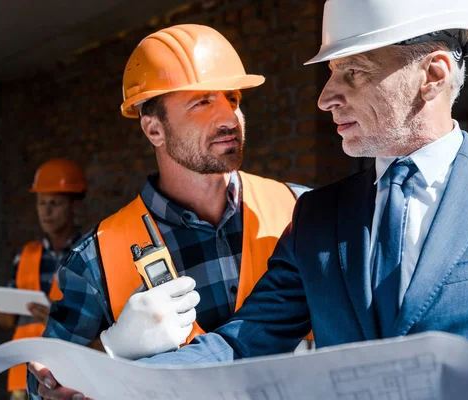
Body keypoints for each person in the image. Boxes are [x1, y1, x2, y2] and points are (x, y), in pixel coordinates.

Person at [135, 0, 468, 366]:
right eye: (331, 72)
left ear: (433, 75)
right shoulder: (318, 216)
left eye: (354, 72)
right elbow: (242, 343)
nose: (325, 98)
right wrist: (119, 382)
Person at [27, 24, 311, 399]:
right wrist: (112, 349)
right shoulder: (96, 257)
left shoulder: (303, 211)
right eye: (203, 102)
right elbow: (42, 389)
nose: (229, 118)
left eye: (233, 98)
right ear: (153, 130)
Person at [0, 158, 86, 400]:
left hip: (66, 378)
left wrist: (57, 319)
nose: (46, 211)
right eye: (41, 203)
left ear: (74, 206)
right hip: (21, 378)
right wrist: (6, 308)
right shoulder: (25, 255)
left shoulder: (88, 254)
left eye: (54, 203)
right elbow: (5, 321)